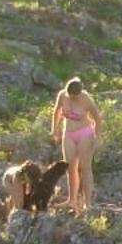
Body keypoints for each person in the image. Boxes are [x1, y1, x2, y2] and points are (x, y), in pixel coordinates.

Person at [50, 77, 101, 216]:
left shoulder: (86, 99)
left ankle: (87, 203)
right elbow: (57, 112)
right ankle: (71, 200)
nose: (72, 98)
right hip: (69, 134)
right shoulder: (62, 95)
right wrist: (54, 130)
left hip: (84, 133)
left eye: (75, 96)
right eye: (70, 95)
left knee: (85, 167)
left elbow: (97, 118)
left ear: (79, 93)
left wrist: (96, 138)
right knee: (70, 167)